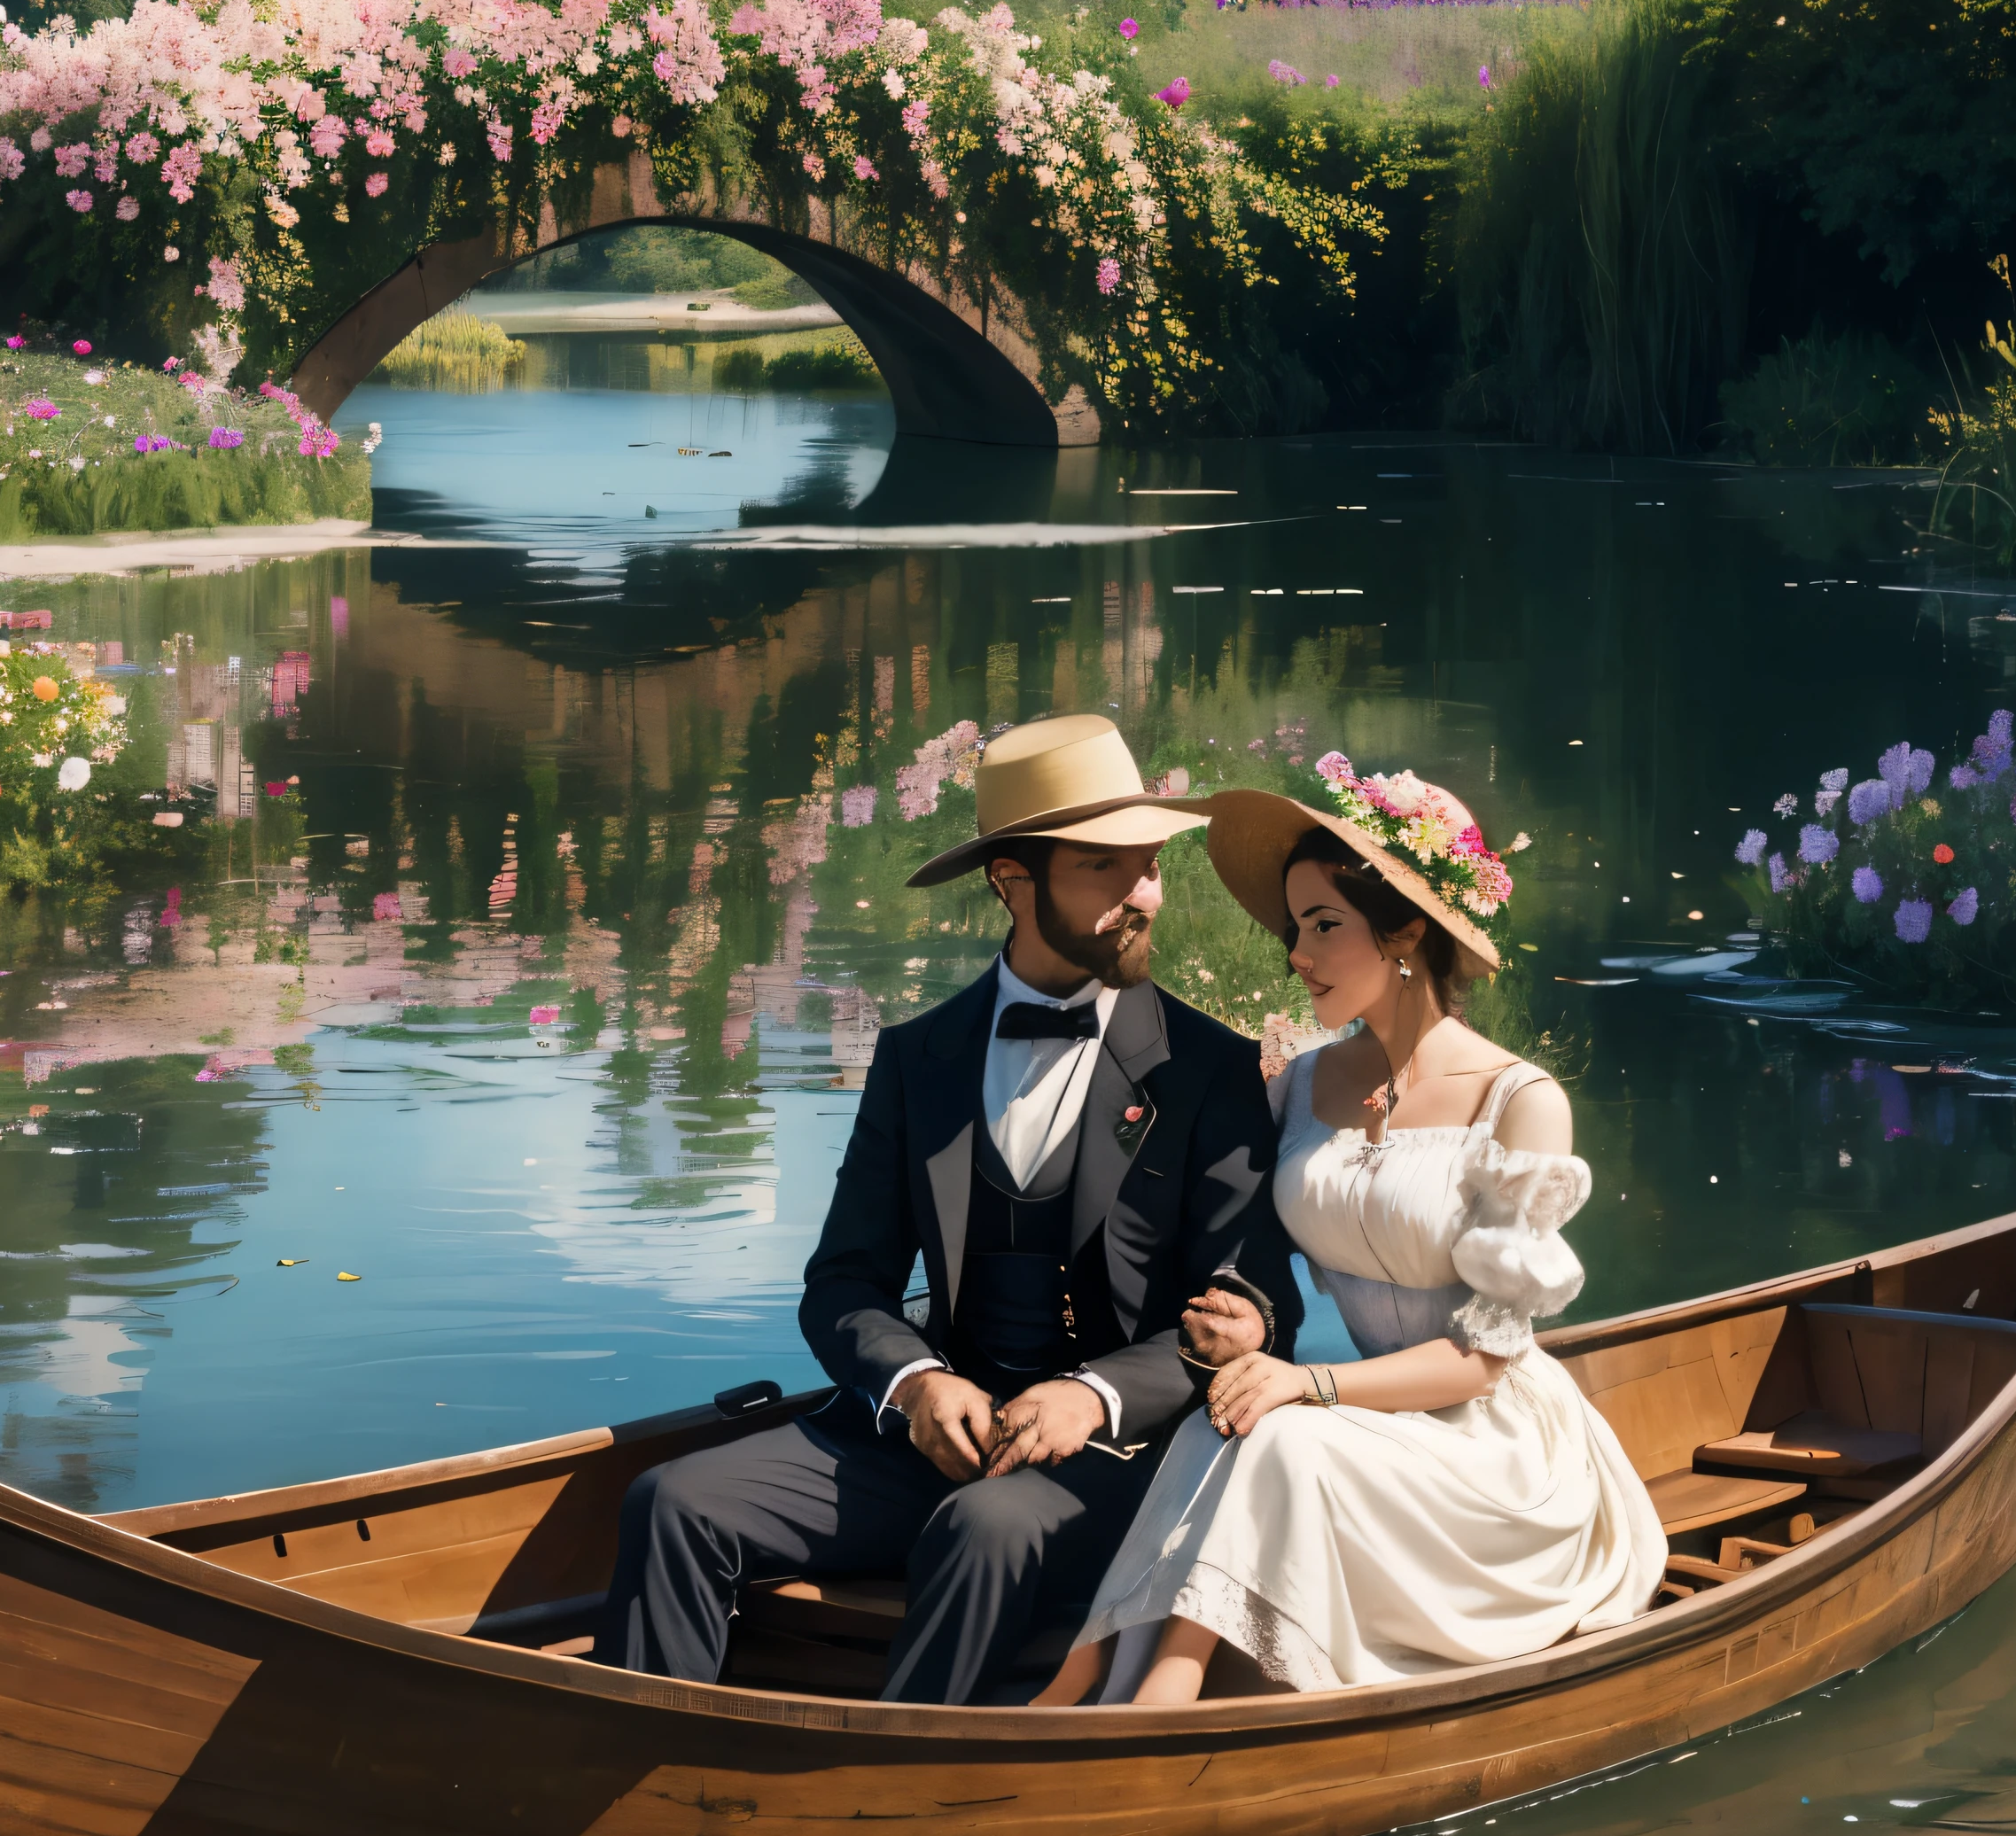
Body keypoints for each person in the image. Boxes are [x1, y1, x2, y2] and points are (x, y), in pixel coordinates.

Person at [595, 714, 1299, 1706]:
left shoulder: (1211, 1071)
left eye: (1149, 865)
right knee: (673, 1500)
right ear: (1012, 879)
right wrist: (918, 1384)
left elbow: (1253, 1308)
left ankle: (880, 1806)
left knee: (987, 1528)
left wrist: (1092, 1393)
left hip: (1121, 1457)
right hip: (929, 1436)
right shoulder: (916, 1058)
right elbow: (843, 1284)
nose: (1143, 894)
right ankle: (648, 1776)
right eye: (1107, 867)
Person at [1036, 754, 1665, 1708]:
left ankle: (1158, 1695)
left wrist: (1310, 1382)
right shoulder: (1297, 1088)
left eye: (1324, 925)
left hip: (1492, 1454)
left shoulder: (1520, 1103)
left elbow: (1485, 1361)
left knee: (1282, 1430)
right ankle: (1087, 1675)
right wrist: (1242, 1332)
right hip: (1365, 1425)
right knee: (1228, 1418)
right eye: (1296, 928)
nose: (1297, 953)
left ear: (1406, 930)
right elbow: (1237, 1258)